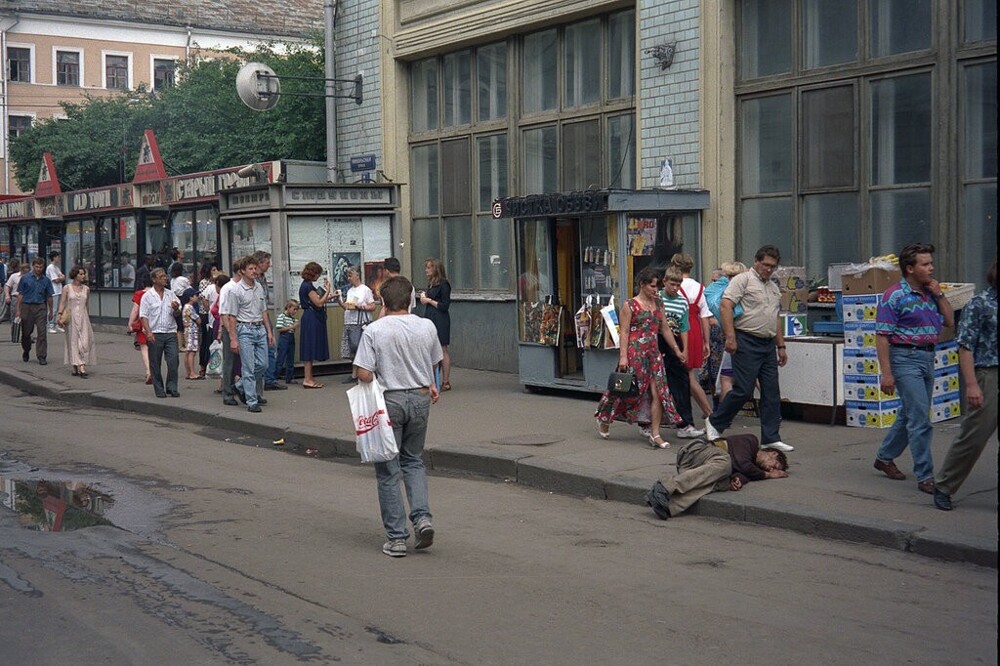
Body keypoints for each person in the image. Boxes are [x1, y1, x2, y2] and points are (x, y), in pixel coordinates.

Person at [353, 275, 443, 558]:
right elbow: (434, 361)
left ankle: (396, 538)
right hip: (420, 398)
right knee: (413, 461)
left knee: (388, 469)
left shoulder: (375, 331)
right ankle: (422, 518)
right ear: (411, 300)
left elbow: (364, 373)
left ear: (382, 301)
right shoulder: (426, 326)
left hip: (389, 402)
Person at [872, 242, 954, 494]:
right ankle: (925, 475)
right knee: (920, 419)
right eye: (925, 264)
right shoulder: (894, 295)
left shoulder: (931, 293)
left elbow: (950, 321)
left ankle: (884, 457)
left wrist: (939, 293)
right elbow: (882, 336)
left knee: (910, 413)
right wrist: (886, 374)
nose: (931, 268)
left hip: (928, 357)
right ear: (910, 268)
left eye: (930, 263)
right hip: (905, 358)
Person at [703, 245, 793, 452]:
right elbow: (726, 305)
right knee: (743, 390)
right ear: (756, 262)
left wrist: (781, 345)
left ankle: (770, 437)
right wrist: (730, 337)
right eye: (765, 265)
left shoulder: (772, 286)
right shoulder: (743, 280)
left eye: (773, 266)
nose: (768, 270)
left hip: (767, 343)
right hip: (746, 340)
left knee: (771, 391)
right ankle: (715, 422)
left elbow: (775, 316)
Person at [933, 260, 997, 510]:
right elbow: (965, 346)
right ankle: (945, 485)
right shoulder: (980, 304)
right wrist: (971, 384)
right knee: (974, 436)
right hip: (988, 373)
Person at [595, 267, 683, 448]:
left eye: (657, 286)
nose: (655, 290)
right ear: (642, 285)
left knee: (658, 393)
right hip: (635, 353)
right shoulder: (630, 305)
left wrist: (677, 349)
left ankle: (655, 434)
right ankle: (605, 417)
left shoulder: (659, 303)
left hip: (653, 354)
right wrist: (623, 357)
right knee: (624, 391)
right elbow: (624, 332)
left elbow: (664, 328)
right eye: (652, 286)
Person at [645, 434, 789, 520]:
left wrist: (737, 481)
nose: (771, 469)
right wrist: (767, 475)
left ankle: (668, 505)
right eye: (775, 465)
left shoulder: (752, 469)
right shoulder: (751, 441)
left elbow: (743, 473)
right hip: (695, 452)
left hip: (694, 470)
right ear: (773, 454)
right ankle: (665, 486)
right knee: (725, 461)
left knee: (721, 483)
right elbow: (741, 463)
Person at [658, 265, 705, 439]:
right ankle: (646, 421)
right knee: (654, 385)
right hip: (658, 342)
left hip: (676, 342)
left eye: (678, 285)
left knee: (682, 383)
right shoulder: (658, 298)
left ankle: (685, 424)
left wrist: (685, 349)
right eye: (672, 284)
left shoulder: (682, 301)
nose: (675, 288)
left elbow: (684, 326)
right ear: (665, 282)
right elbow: (661, 327)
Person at [223, 255, 274, 413]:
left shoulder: (258, 287)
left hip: (259, 328)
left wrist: (269, 332)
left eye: (255, 268)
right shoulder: (235, 290)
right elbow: (232, 316)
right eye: (250, 269)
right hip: (244, 329)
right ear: (242, 271)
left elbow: (263, 310)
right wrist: (233, 339)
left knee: (263, 364)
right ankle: (251, 401)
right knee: (248, 367)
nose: (254, 271)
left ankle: (239, 385)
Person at [671, 253, 714, 419]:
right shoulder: (699, 287)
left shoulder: (675, 287)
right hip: (695, 330)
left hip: (681, 330)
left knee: (687, 376)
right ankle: (682, 414)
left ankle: (709, 413)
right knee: (687, 374)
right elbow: (705, 316)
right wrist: (706, 342)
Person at [139, 268, 182, 398]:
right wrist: (149, 332)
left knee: (173, 361)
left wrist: (176, 309)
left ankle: (172, 386)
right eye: (161, 276)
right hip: (155, 333)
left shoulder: (171, 294)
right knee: (155, 362)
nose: (165, 278)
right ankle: (159, 388)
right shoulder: (147, 296)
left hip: (170, 332)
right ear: (154, 279)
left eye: (165, 276)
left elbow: (177, 314)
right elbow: (143, 316)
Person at [336, 265, 376, 383]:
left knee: (358, 348)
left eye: (350, 275)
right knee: (353, 350)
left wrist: (361, 307)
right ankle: (354, 374)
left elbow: (373, 306)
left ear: (357, 275)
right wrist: (339, 300)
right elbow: (347, 307)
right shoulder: (349, 290)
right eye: (347, 276)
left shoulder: (365, 290)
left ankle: (362, 373)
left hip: (360, 323)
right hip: (349, 321)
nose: (348, 278)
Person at [254, 250, 287, 392]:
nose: (269, 265)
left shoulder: (262, 278)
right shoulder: (255, 279)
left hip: (265, 314)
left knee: (270, 347)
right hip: (258, 317)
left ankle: (268, 378)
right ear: (260, 263)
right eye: (267, 262)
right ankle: (267, 379)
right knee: (268, 348)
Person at [298, 261, 333, 389]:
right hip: (311, 318)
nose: (318, 276)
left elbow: (315, 301)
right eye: (317, 273)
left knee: (310, 347)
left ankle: (309, 377)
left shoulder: (306, 285)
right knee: (309, 347)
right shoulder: (308, 287)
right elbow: (318, 303)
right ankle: (307, 379)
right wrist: (328, 290)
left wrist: (328, 297)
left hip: (309, 316)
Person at [57, 265, 96, 378]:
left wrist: (88, 317)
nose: (83, 276)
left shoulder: (86, 289)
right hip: (71, 318)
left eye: (84, 274)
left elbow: (87, 305)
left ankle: (82, 365)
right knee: (73, 342)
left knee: (84, 342)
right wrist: (59, 315)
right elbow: (63, 303)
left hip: (83, 318)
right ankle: (76, 365)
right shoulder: (67, 288)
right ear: (75, 275)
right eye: (81, 274)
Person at [419, 258, 452, 390]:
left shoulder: (444, 284)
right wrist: (424, 297)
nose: (426, 270)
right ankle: (433, 378)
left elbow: (445, 305)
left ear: (435, 269)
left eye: (429, 268)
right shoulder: (431, 284)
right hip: (430, 317)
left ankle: (445, 381)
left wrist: (429, 300)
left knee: (442, 349)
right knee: (432, 348)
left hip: (440, 318)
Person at [16, 256, 54, 365]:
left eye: (41, 267)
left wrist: (51, 311)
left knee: (42, 332)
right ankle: (26, 350)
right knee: (26, 333)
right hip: (27, 306)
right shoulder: (25, 278)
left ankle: (41, 356)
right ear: (33, 266)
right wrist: (18, 310)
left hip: (41, 306)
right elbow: (20, 295)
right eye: (37, 267)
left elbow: (49, 296)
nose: (38, 269)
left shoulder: (46, 280)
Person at [128, 282, 153, 384]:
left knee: (144, 347)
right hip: (156, 324)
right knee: (155, 349)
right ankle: (155, 371)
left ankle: (148, 371)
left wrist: (130, 323)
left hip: (143, 323)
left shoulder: (139, 294)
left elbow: (135, 310)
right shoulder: (157, 293)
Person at [275, 299, 300, 384]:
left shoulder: (292, 318)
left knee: (290, 359)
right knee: (280, 358)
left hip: (291, 338)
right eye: (294, 309)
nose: (295, 312)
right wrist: (292, 327)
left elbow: (293, 330)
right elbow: (279, 329)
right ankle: (274, 377)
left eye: (296, 310)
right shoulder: (281, 316)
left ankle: (289, 377)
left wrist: (295, 327)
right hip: (284, 338)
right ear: (288, 308)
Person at [182, 288, 202, 380]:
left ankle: (188, 372)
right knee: (192, 352)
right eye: (196, 295)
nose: (197, 297)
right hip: (192, 331)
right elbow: (198, 320)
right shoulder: (190, 307)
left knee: (188, 351)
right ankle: (192, 373)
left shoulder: (185, 307)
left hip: (186, 330)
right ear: (190, 297)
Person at [46, 250, 65, 333]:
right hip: (53, 291)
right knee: (53, 309)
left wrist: (61, 278)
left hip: (59, 290)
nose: (59, 258)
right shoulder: (50, 267)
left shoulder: (56, 267)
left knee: (58, 309)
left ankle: (56, 324)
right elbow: (56, 280)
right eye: (57, 257)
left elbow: (62, 277)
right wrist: (61, 278)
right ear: (54, 257)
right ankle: (50, 325)